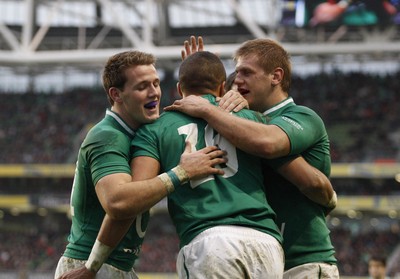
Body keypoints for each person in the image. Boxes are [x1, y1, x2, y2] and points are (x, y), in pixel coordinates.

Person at [166, 37, 339, 278]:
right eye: (236, 73)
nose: (237, 80)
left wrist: (206, 107)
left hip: (304, 261)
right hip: (265, 258)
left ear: (275, 77)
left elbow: (266, 143)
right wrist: (197, 79)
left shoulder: (302, 116)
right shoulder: (241, 121)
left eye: (246, 73)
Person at [54, 50, 227, 279]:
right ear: (116, 94)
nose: (154, 92)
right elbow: (118, 201)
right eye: (142, 87)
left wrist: (202, 75)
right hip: (87, 266)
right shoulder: (108, 135)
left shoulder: (141, 135)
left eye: (156, 83)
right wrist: (181, 173)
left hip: (113, 266)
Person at [132, 50, 285, 278]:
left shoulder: (155, 129)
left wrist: (178, 173)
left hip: (208, 241)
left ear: (179, 89)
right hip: (265, 242)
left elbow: (137, 195)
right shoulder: (254, 119)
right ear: (223, 88)